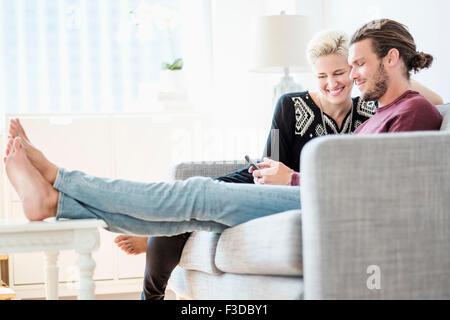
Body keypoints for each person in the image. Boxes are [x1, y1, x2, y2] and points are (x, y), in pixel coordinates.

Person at [3, 19, 443, 299]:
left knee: (198, 196)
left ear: (390, 58)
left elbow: (376, 193)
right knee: (192, 206)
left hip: (324, 204)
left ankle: (59, 178)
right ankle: (56, 201)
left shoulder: (412, 111)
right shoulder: (385, 110)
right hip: (314, 195)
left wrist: (292, 180)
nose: (352, 76)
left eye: (357, 65)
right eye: (344, 68)